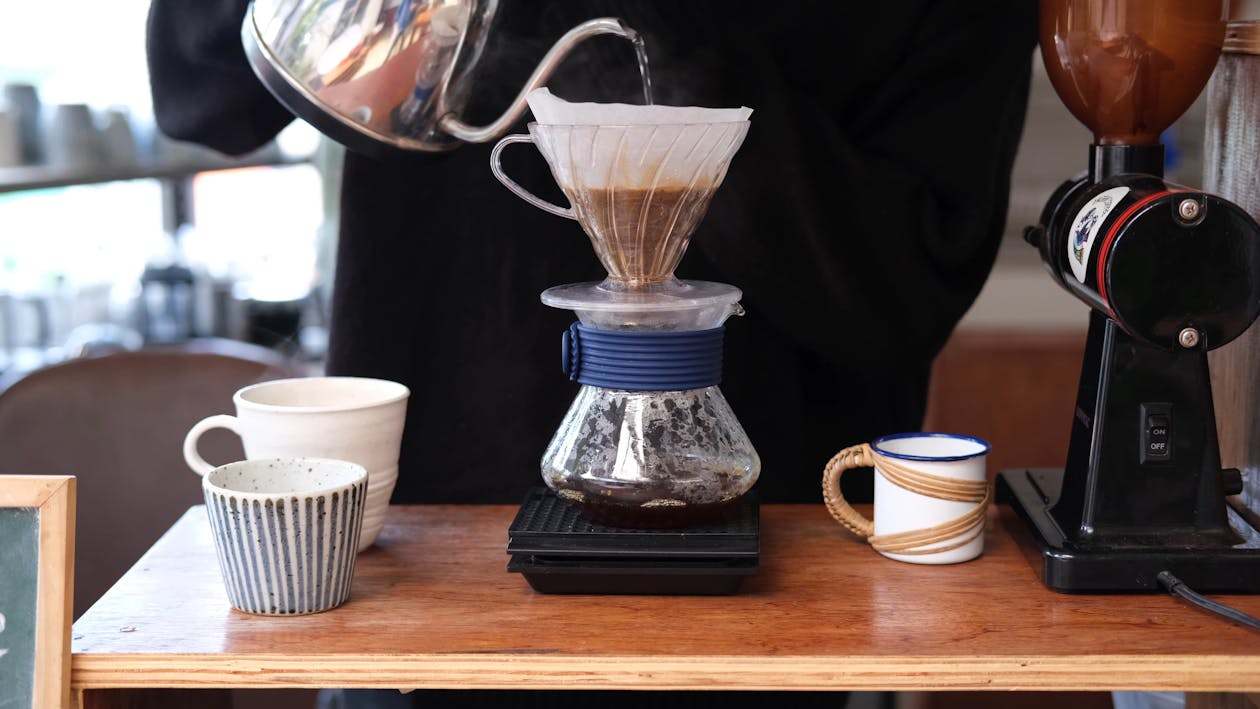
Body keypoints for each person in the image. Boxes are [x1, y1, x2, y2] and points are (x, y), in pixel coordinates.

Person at [147, 2, 1037, 707]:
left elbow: (904, 293)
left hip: (773, 611)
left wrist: (674, 34)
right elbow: (204, 89)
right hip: (417, 594)